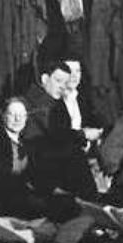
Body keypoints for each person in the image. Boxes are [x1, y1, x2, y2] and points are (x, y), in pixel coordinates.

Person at [0, 97, 78, 221]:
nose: (17, 119)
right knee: (46, 208)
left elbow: (35, 176)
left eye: (21, 115)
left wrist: (55, 190)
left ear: (26, 118)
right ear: (3, 116)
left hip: (20, 195)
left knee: (67, 203)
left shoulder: (25, 143)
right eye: (12, 115)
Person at [21, 59, 97, 199]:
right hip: (36, 162)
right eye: (58, 80)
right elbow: (55, 134)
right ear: (45, 79)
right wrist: (83, 134)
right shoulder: (36, 101)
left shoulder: (54, 101)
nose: (62, 86)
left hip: (50, 159)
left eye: (65, 83)